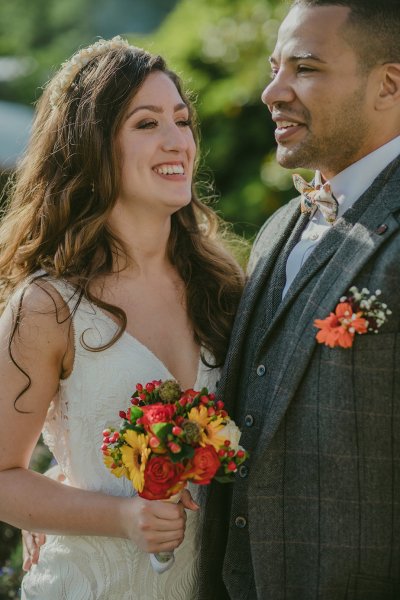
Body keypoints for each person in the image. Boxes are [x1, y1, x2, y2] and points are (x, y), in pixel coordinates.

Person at [0, 36, 244, 599]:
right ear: (91, 145)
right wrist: (120, 517)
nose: (176, 141)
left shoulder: (225, 287)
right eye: (146, 124)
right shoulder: (49, 306)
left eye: (182, 121)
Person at [198, 1, 400, 599]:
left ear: (388, 84)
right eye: (273, 67)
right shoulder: (278, 228)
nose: (271, 92)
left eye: (305, 69)